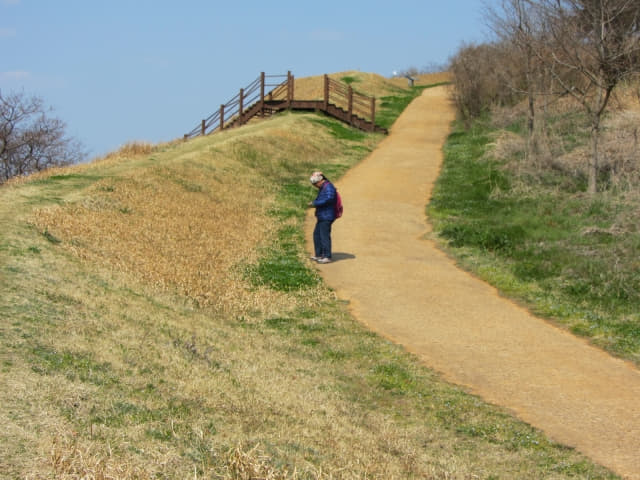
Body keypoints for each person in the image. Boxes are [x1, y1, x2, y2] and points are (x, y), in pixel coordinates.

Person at [308, 171, 337, 264]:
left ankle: (327, 256)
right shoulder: (323, 187)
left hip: (327, 216)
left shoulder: (328, 187)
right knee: (317, 235)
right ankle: (319, 254)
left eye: (316, 183)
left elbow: (329, 198)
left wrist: (315, 203)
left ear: (321, 180)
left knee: (324, 236)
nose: (315, 185)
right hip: (322, 215)